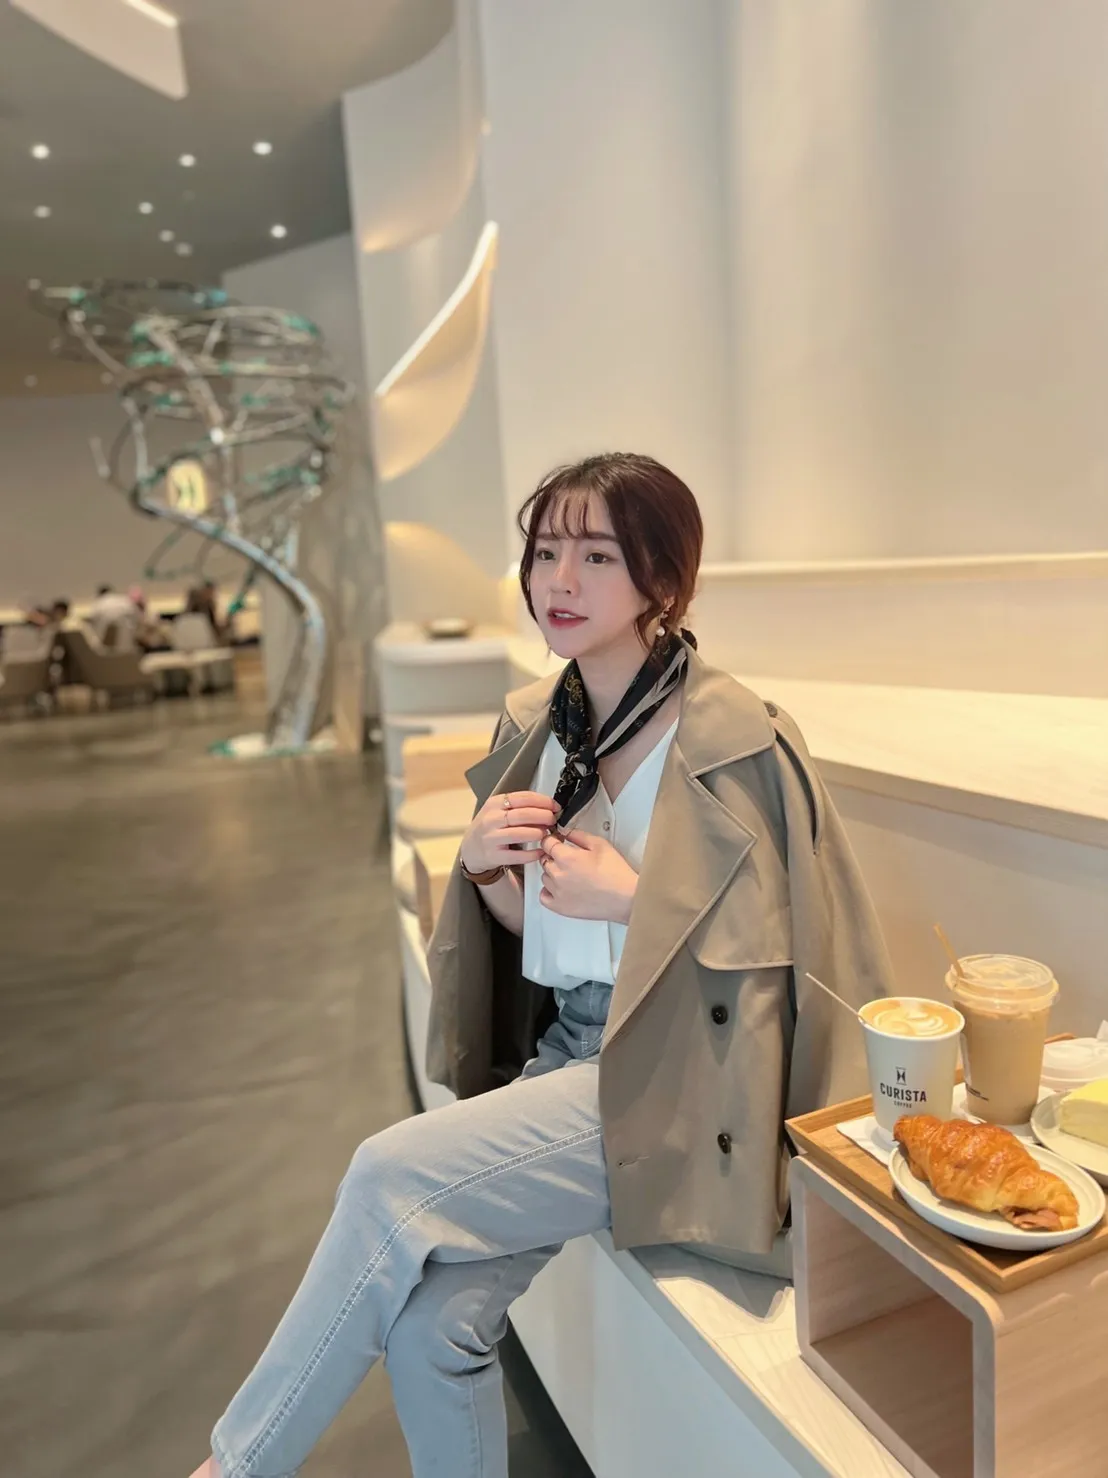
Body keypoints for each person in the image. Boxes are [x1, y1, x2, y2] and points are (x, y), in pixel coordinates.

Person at [189, 453, 894, 1478]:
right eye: (545, 551)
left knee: (386, 1171)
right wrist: (485, 871)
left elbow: (784, 954)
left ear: (663, 580)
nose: (558, 580)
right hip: (570, 1050)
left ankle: (235, 1465)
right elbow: (543, 941)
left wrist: (638, 896)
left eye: (597, 555)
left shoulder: (737, 737)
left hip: (676, 1079)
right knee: (437, 1332)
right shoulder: (540, 722)